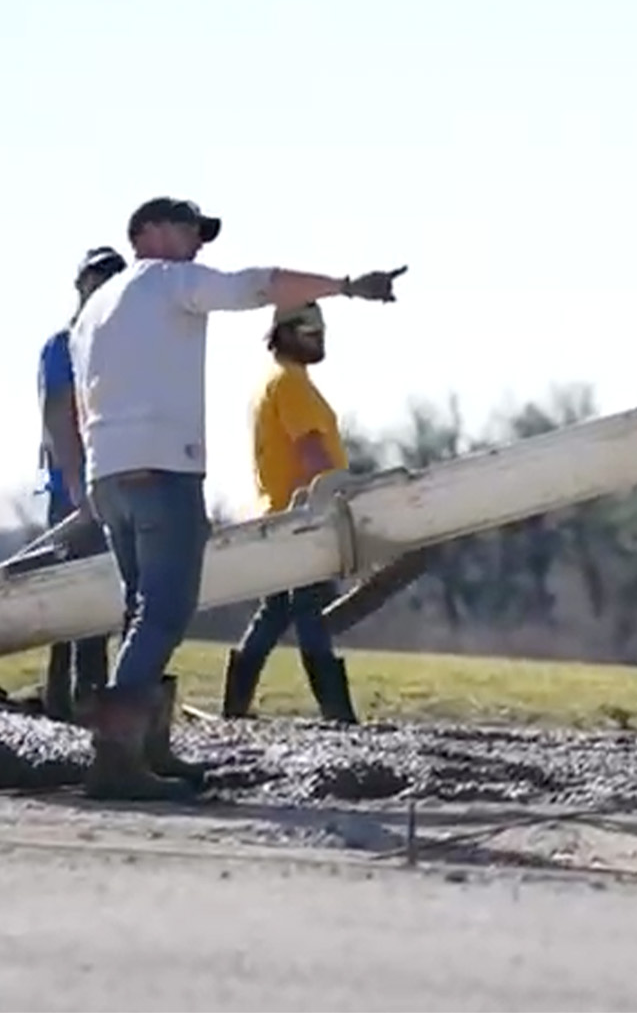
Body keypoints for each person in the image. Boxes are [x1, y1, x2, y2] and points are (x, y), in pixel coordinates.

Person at [69, 194, 406, 801]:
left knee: (138, 608)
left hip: (109, 472)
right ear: (152, 231)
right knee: (165, 610)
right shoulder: (169, 281)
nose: (199, 242)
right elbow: (258, 285)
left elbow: (80, 399)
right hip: (161, 467)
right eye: (191, 230)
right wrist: (348, 285)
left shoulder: (93, 310)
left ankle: (148, 747)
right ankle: (117, 755)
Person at [221, 300, 357, 724]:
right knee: (308, 610)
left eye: (321, 331)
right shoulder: (292, 385)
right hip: (303, 518)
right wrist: (338, 508)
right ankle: (337, 712)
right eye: (309, 330)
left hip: (280, 516)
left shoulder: (274, 383)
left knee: (279, 610)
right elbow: (312, 453)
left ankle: (235, 706)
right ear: (283, 332)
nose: (319, 337)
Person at [36, 245, 128, 722]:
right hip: (73, 493)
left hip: (114, 485)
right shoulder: (64, 345)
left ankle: (77, 702)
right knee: (78, 600)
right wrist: (75, 486)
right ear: (81, 285)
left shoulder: (117, 348)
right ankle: (76, 703)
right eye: (98, 277)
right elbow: (57, 417)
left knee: (99, 602)